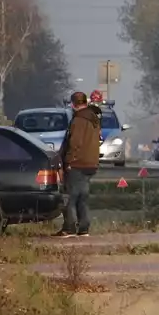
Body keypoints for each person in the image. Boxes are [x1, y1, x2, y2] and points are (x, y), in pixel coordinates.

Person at [55, 91, 101, 238]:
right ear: (85, 103)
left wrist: (68, 161)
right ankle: (83, 228)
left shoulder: (79, 120)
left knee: (70, 196)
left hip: (77, 163)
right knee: (82, 197)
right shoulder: (94, 119)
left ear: (74, 104)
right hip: (91, 163)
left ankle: (69, 227)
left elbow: (75, 143)